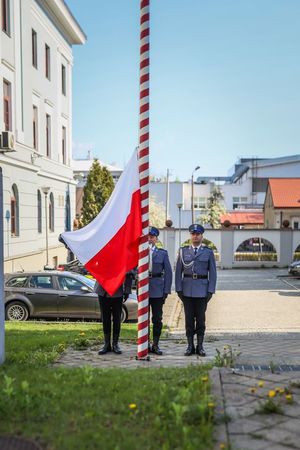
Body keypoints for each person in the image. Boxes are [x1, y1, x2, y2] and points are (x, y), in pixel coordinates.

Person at [175, 224, 217, 357]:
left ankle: (200, 346)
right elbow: (178, 272)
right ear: (190, 235)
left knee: (200, 320)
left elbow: (213, 273)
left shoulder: (208, 252)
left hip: (202, 291)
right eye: (193, 234)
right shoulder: (183, 251)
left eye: (198, 234)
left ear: (202, 236)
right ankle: (189, 346)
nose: (195, 236)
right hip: (186, 291)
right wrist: (178, 289)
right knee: (188, 320)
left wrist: (210, 291)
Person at [148, 226, 173, 355]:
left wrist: (166, 291)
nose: (149, 239)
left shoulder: (162, 253)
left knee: (157, 319)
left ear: (156, 239)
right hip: (143, 289)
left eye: (152, 237)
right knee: (143, 319)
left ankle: (156, 345)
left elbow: (168, 273)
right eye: (147, 237)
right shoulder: (139, 252)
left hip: (158, 289)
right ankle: (144, 343)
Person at [94, 274, 133, 355]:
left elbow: (129, 273)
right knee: (105, 318)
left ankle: (115, 344)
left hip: (117, 291)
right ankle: (107, 344)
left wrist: (127, 290)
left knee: (117, 319)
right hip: (103, 290)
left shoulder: (122, 260)